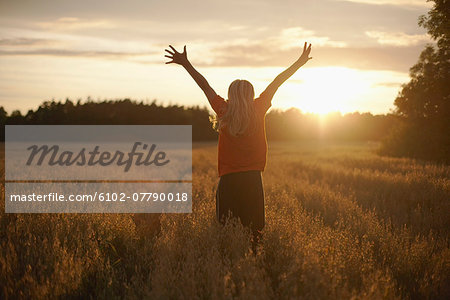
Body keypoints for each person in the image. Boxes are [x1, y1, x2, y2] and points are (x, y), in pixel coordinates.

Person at [165, 42, 312, 249]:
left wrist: (186, 64)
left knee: (226, 232)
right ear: (251, 94)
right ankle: (253, 269)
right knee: (255, 234)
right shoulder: (258, 108)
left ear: (231, 94)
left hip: (228, 181)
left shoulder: (223, 111)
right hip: (253, 179)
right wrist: (299, 62)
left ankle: (228, 270)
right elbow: (277, 82)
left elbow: (204, 85)